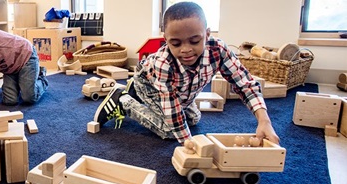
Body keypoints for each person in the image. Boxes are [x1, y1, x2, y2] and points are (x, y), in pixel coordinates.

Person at [93, 2, 280, 145]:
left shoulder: (219, 50)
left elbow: (244, 83)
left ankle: (133, 94)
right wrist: (189, 144)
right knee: (169, 130)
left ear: (207, 34)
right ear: (166, 40)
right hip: (149, 84)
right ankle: (123, 101)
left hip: (181, 92)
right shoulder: (163, 63)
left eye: (195, 40)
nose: (186, 50)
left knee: (193, 119)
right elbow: (171, 109)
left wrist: (264, 120)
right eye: (176, 43)